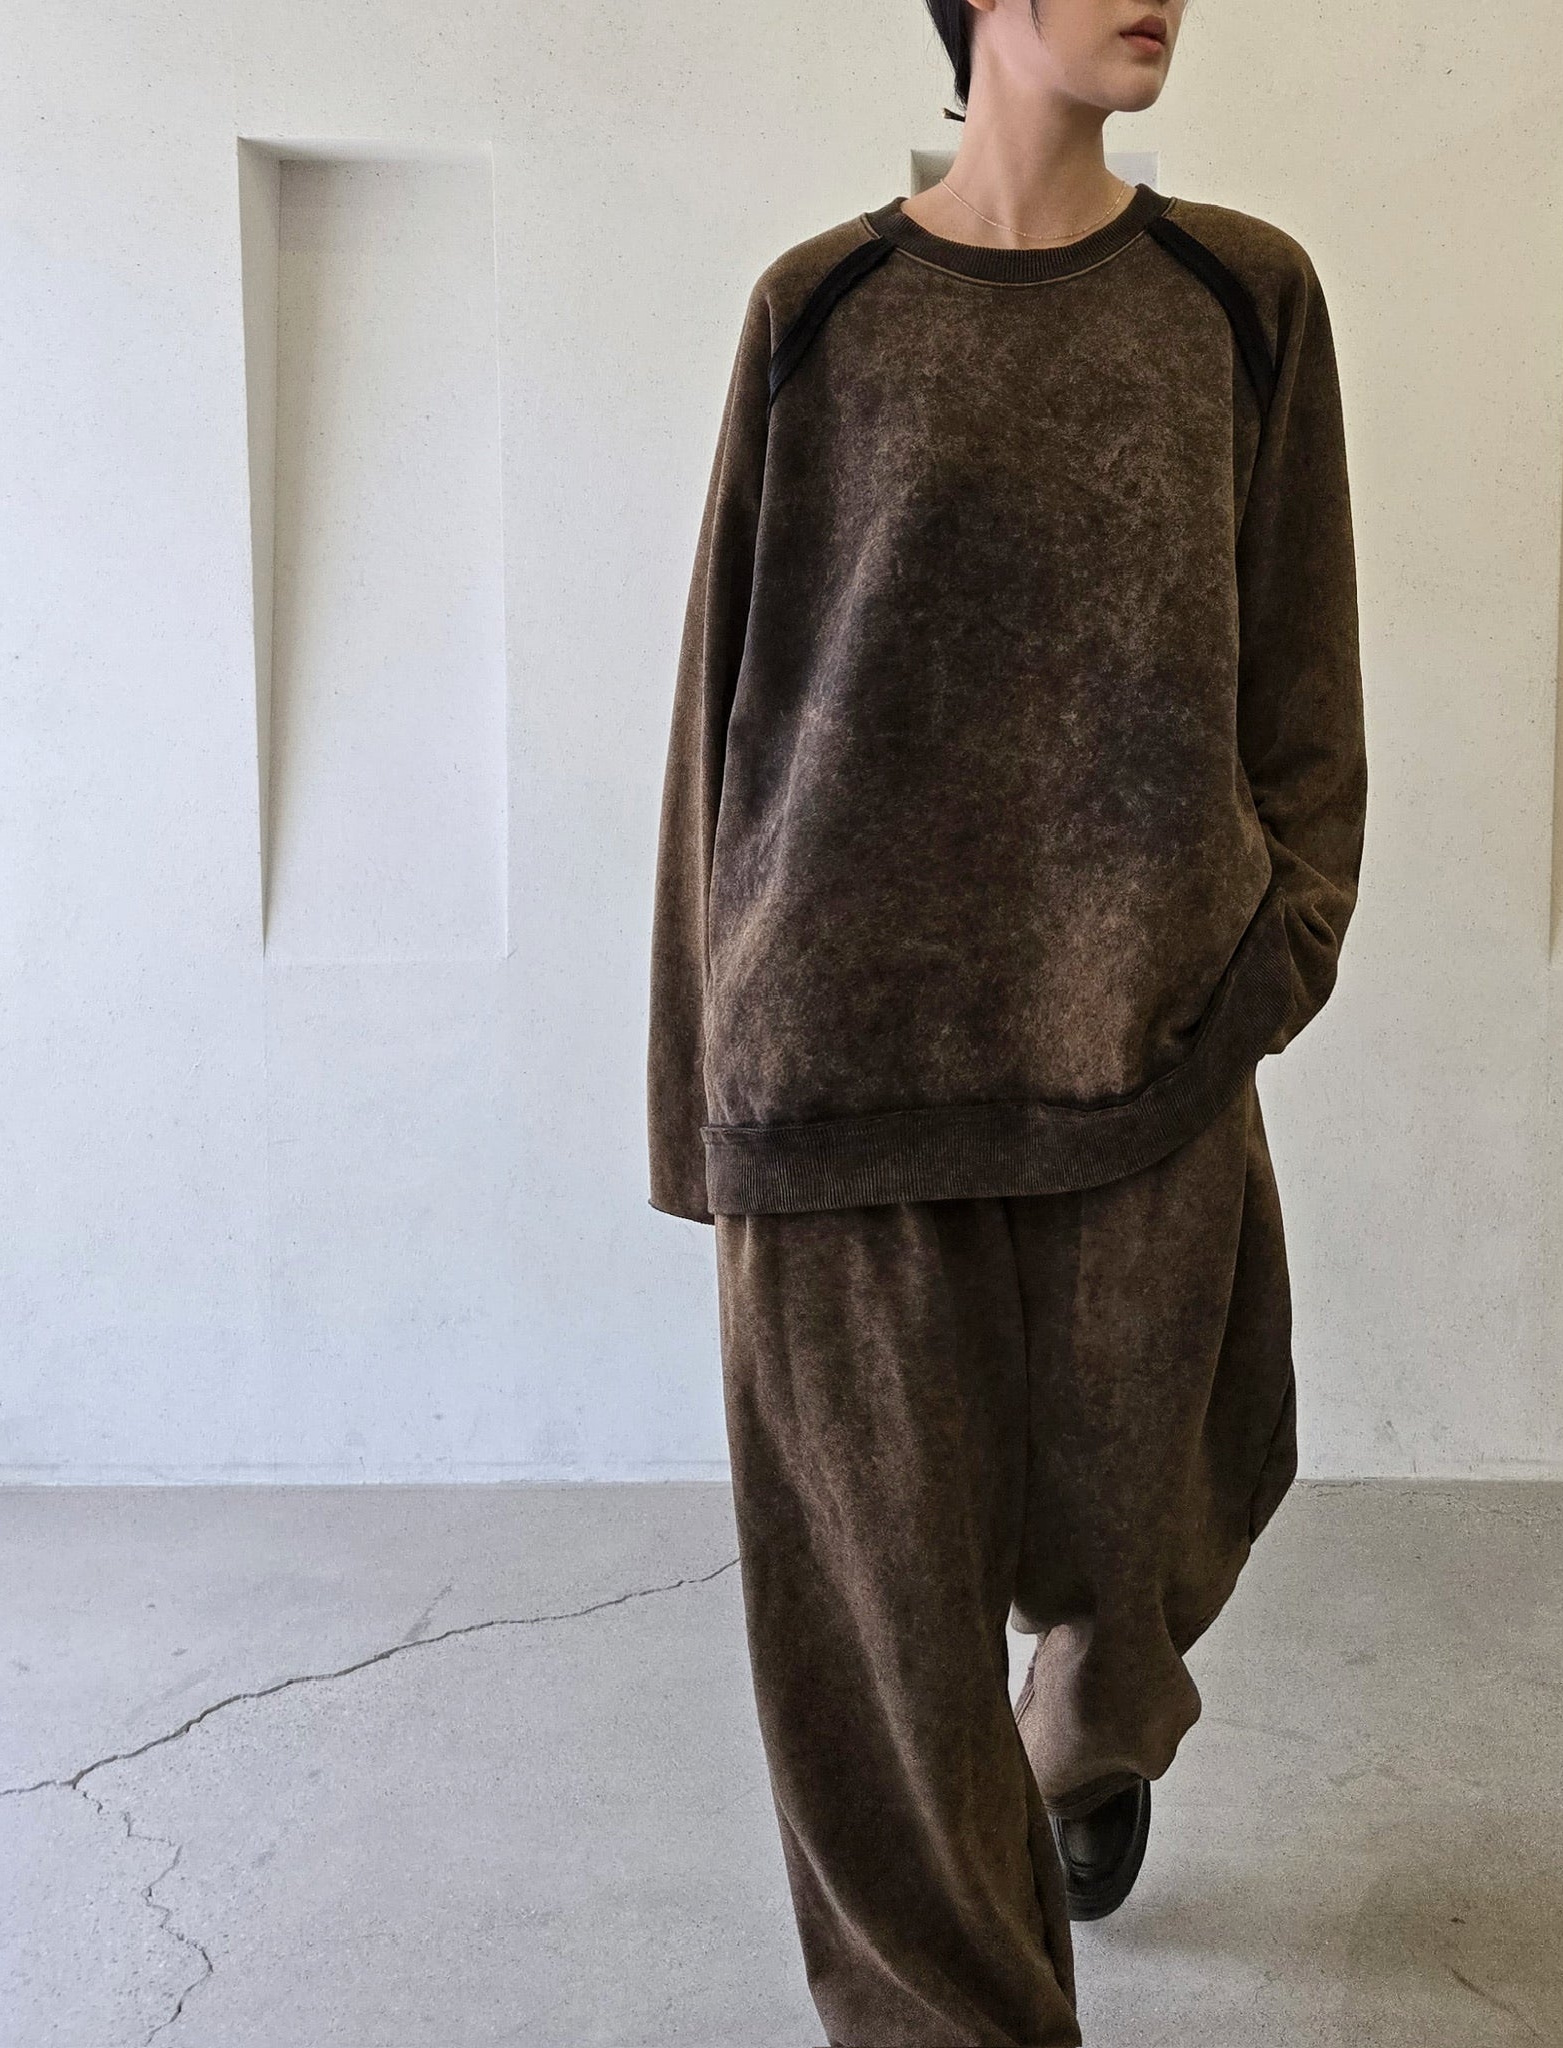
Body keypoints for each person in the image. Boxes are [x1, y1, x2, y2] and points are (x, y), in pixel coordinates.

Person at [646, 1, 1366, 2038]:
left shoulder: (1241, 300)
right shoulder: (818, 310)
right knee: (879, 1665)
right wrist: (701, 1102)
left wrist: (1276, 948)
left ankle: (1085, 1730)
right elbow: (722, 724)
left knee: (1181, 1506)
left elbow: (1303, 679)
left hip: (1144, 1057)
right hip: (838, 1089)